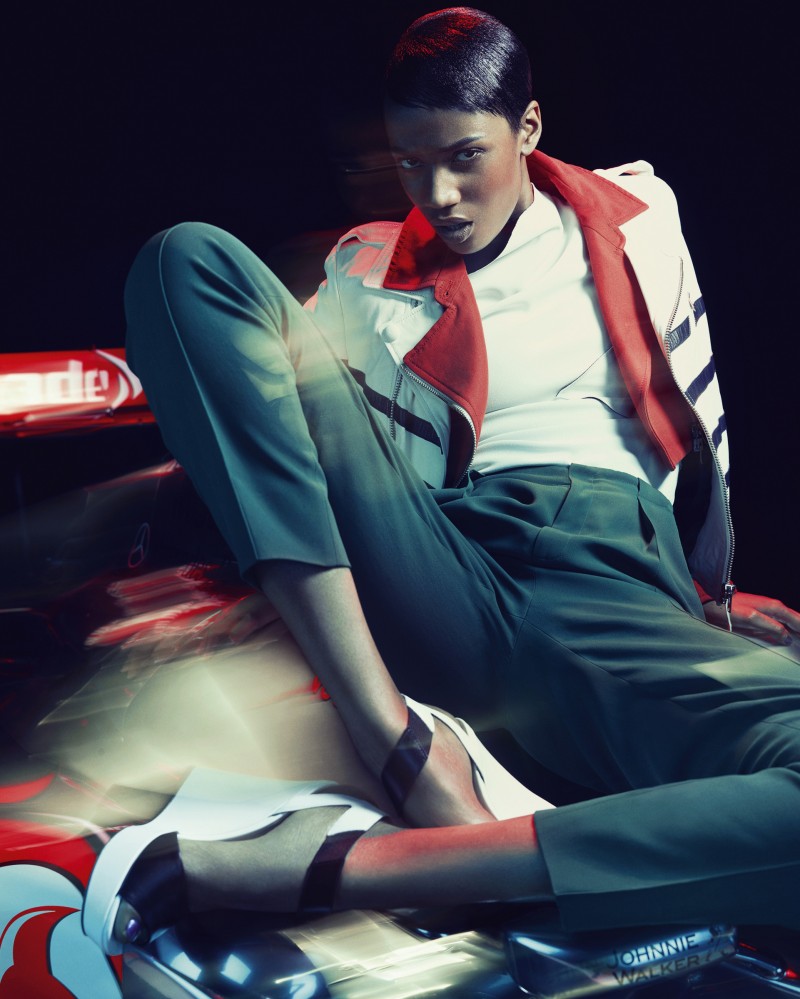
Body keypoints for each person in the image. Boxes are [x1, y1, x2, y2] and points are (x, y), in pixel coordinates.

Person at [82, 6, 800, 956]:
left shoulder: (637, 217)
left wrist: (711, 600)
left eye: (465, 157)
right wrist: (193, 583)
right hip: (440, 561)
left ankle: (362, 864)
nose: (439, 195)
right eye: (410, 163)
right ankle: (403, 748)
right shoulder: (364, 270)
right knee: (188, 262)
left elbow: (682, 439)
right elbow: (265, 433)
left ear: (528, 128)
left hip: (611, 595)